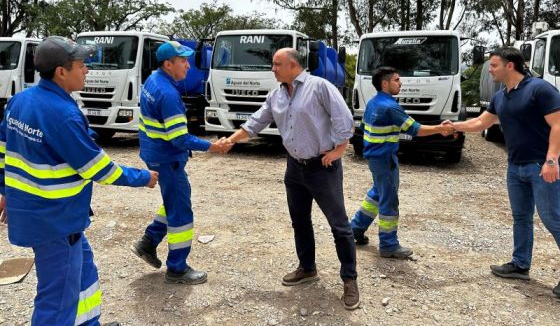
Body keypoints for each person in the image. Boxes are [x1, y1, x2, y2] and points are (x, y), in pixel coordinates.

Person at [0, 36, 158, 326]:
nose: (86, 70)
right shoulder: (61, 115)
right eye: (82, 65)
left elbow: (3, 148)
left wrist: (3, 189)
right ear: (62, 71)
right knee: (57, 298)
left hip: (47, 217)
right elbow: (99, 169)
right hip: (55, 221)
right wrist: (143, 177)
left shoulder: (20, 101)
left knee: (84, 275)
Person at [227, 47, 360, 310]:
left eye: (277, 64)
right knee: (300, 221)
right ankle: (307, 268)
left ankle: (349, 280)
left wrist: (338, 150)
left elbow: (344, 119)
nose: (272, 69)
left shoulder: (319, 86)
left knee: (339, 226)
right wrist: (230, 140)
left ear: (292, 65)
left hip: (322, 167)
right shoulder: (276, 95)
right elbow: (256, 122)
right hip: (294, 169)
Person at [445, 48, 560, 298]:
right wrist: (454, 125)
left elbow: (558, 125)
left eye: (494, 65)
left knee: (553, 219)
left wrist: (552, 160)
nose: (489, 69)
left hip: (541, 166)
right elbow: (481, 123)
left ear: (510, 66)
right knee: (521, 218)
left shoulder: (540, 89)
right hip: (515, 166)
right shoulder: (500, 96)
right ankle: (520, 264)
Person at [131, 40, 232, 285]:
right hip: (167, 158)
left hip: (154, 154)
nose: (188, 65)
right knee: (181, 212)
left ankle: (148, 242)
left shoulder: (153, 80)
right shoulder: (167, 93)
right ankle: (177, 267)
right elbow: (179, 138)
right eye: (183, 61)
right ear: (168, 64)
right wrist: (212, 146)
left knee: (173, 200)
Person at [350, 67, 454, 258]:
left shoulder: (373, 103)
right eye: (397, 80)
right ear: (385, 83)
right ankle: (389, 245)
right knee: (389, 200)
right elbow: (415, 129)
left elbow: (364, 127)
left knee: (378, 193)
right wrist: (440, 128)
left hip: (375, 158)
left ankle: (355, 228)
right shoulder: (390, 107)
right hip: (385, 159)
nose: (401, 83)